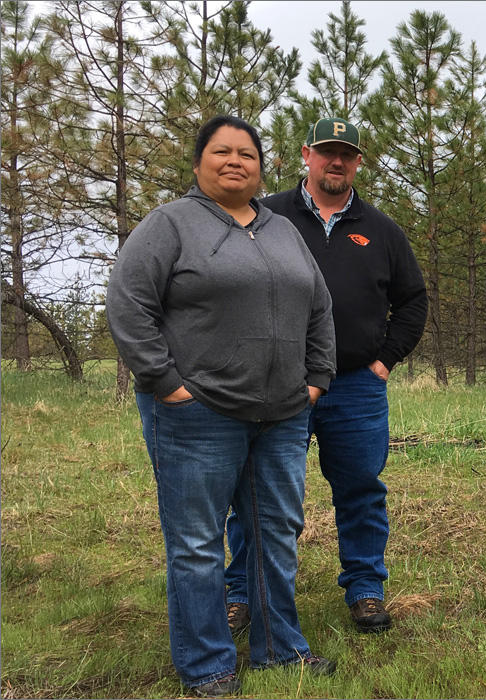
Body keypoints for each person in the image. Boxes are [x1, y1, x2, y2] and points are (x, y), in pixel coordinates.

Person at [107, 115, 338, 697]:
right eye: (221, 152)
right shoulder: (171, 224)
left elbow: (319, 308)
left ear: (262, 167)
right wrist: (164, 382)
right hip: (197, 414)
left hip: (282, 416)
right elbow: (129, 303)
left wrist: (316, 379)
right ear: (198, 163)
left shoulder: (282, 229)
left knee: (274, 534)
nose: (235, 161)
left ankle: (279, 652)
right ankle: (208, 665)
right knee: (197, 543)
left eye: (247, 153)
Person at [225, 117, 427, 635]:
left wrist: (383, 361)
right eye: (326, 151)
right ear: (306, 155)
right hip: (278, 384)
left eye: (347, 154)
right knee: (261, 494)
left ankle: (364, 588)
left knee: (360, 489)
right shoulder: (264, 216)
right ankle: (245, 592)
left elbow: (412, 301)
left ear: (358, 162)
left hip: (356, 386)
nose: (336, 161)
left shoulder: (381, 230)